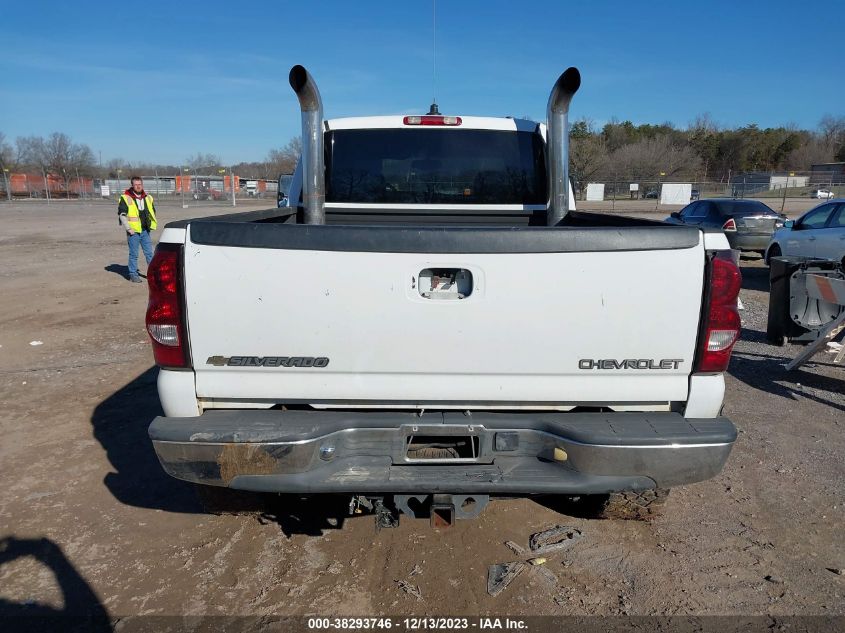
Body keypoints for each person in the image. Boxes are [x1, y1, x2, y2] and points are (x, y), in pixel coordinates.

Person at [118, 176, 157, 283]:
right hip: (133, 232)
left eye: (140, 184)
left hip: (145, 231)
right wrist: (128, 228)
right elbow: (122, 214)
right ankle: (133, 274)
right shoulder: (126, 198)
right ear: (132, 185)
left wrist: (150, 225)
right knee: (134, 254)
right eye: (136, 184)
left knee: (150, 254)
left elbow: (152, 212)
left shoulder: (148, 197)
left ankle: (153, 275)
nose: (138, 186)